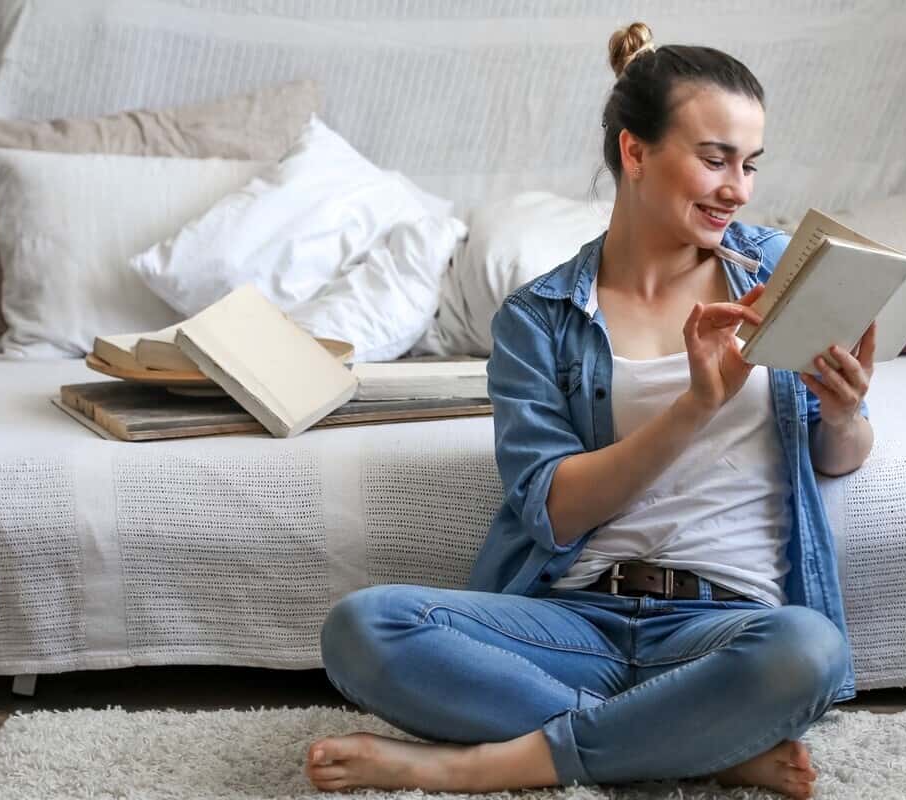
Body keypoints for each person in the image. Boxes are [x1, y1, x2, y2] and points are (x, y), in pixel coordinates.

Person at [306, 21, 875, 800]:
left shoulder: (779, 272)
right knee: (364, 629)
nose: (737, 188)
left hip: (726, 625)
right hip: (571, 619)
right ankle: (693, 747)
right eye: (714, 159)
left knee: (811, 652)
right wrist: (694, 407)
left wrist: (844, 415)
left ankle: (487, 765)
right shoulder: (539, 319)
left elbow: (836, 454)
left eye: (749, 164)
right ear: (635, 153)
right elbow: (553, 512)